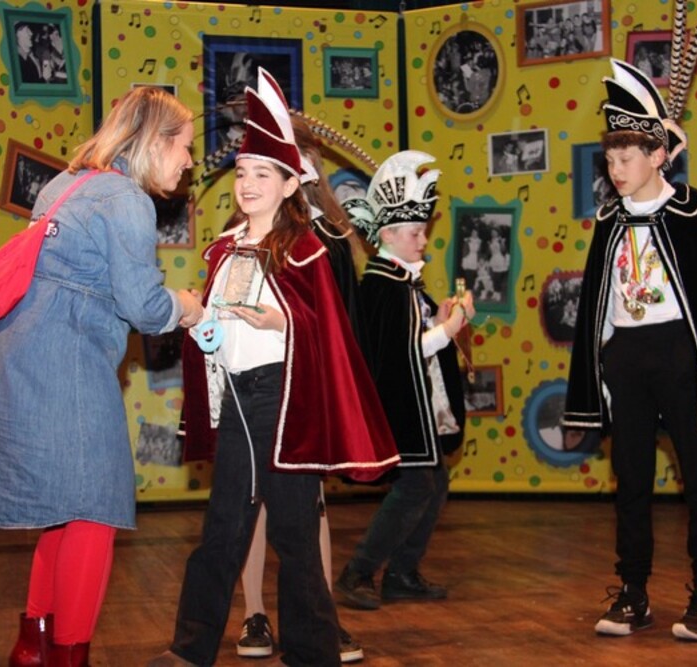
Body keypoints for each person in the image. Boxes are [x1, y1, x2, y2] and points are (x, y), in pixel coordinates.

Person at [149, 68, 398, 667]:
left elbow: (326, 331)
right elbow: (215, 328)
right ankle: (190, 649)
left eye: (264, 174)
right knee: (224, 525)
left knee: (292, 529)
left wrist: (281, 321)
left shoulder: (307, 249)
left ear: (291, 184)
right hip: (238, 396)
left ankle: (311, 652)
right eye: (242, 173)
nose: (249, 184)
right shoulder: (223, 249)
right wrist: (199, 324)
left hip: (284, 399)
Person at [0, 85, 203, 667]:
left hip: (18, 354)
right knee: (96, 508)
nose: (189, 161)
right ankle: (68, 655)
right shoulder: (127, 199)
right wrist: (187, 304)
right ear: (155, 141)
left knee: (64, 507)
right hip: (66, 362)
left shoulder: (63, 184)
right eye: (184, 146)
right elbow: (143, 307)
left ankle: (34, 645)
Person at [562, 59, 697, 642]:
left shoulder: (693, 211)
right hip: (626, 357)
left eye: (626, 158)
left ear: (658, 156)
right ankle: (633, 593)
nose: (615, 170)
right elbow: (598, 302)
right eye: (609, 160)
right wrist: (603, 364)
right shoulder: (608, 220)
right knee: (631, 480)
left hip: (683, 355)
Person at [232, 112, 369, 663]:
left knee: (311, 508)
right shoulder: (249, 229)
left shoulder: (329, 236)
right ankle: (254, 615)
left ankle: (320, 617)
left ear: (304, 165)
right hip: (256, 387)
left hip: (309, 386)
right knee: (255, 504)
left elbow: (343, 324)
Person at [336, 150, 472, 611]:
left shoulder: (403, 283)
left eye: (423, 231)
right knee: (417, 486)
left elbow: (413, 336)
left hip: (416, 409)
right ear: (388, 235)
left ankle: (401, 573)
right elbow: (399, 353)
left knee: (434, 483)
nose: (424, 241)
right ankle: (358, 571)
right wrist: (446, 330)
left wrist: (441, 318)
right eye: (415, 233)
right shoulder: (382, 285)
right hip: (397, 411)